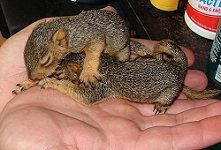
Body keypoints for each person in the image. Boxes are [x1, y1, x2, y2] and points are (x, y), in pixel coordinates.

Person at [0, 6, 221, 150]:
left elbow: (96, 42)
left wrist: (88, 68)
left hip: (117, 48)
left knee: (118, 55)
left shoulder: (79, 41)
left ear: (60, 42)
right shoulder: (64, 42)